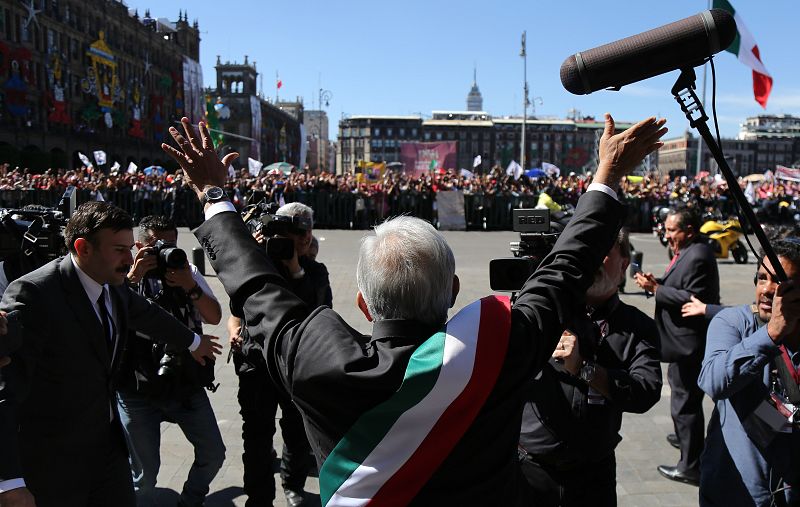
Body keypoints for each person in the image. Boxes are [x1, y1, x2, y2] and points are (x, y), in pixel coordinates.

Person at [164, 113, 666, 505]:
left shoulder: (315, 358)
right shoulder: (495, 349)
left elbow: (255, 289)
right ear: (453, 290)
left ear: (362, 303)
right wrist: (607, 173)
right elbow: (565, 269)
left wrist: (214, 196)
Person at [0, 202, 220, 507]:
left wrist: (194, 342)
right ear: (84, 248)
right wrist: (9, 481)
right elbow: (5, 388)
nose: (129, 259)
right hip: (54, 460)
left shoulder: (111, 284)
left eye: (129, 248)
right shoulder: (35, 293)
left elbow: (147, 314)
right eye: (119, 250)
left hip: (106, 450)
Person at [518, 228, 662, 506]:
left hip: (592, 476)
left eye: (602, 251)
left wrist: (585, 368)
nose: (591, 259)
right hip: (529, 470)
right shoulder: (544, 312)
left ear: (623, 264)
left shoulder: (637, 326)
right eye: (585, 251)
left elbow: (646, 391)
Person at [117, 215, 226, 507]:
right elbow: (110, 315)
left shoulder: (187, 270)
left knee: (214, 453)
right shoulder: (121, 275)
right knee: (144, 475)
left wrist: (190, 285)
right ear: (139, 246)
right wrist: (132, 278)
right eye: (157, 245)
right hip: (137, 386)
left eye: (171, 244)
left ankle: (190, 500)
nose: (166, 250)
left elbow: (214, 316)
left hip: (184, 381)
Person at [229, 202, 332, 507]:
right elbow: (237, 304)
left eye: (306, 232)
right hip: (256, 363)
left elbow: (320, 310)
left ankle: (293, 483)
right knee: (256, 436)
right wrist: (251, 255)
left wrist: (296, 270)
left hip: (295, 364)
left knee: (298, 431)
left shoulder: (314, 271)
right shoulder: (259, 266)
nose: (302, 239)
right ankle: (259, 497)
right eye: (294, 233)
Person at [698, 239, 800, 507]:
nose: (767, 290)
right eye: (762, 278)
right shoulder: (733, 323)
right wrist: (771, 334)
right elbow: (713, 381)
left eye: (780, 282)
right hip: (735, 494)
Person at [634, 206, 720, 486]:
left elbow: (692, 298)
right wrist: (657, 283)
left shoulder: (697, 255)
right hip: (680, 342)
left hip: (688, 344)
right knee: (684, 400)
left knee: (685, 404)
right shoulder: (686, 251)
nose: (667, 235)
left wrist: (657, 290)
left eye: (672, 230)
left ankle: (690, 465)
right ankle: (686, 439)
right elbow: (679, 286)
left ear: (689, 231)